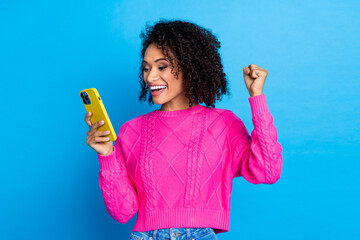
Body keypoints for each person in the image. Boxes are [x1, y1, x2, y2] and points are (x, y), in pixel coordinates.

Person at [84, 19, 283, 240]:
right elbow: (123, 212)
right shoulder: (131, 130)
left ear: (189, 67)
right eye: (146, 68)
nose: (150, 77)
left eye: (162, 66)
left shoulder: (223, 124)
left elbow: (268, 170)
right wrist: (106, 156)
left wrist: (257, 98)